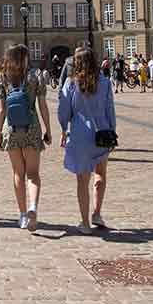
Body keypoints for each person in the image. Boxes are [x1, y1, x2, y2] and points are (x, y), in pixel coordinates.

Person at [0, 44, 52, 232]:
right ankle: (33, 207)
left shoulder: (3, 77)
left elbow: (1, 109)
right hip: (31, 126)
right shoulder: (35, 76)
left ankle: (22, 215)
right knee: (33, 174)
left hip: (10, 128)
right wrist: (48, 129)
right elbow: (43, 106)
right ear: (25, 58)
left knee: (18, 173)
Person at [58, 47, 116, 232]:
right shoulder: (105, 83)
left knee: (82, 180)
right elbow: (110, 111)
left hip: (80, 136)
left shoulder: (71, 83)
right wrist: (112, 131)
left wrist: (63, 128)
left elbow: (63, 111)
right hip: (102, 134)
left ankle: (85, 222)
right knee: (101, 174)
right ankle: (97, 213)